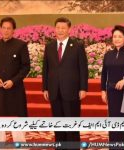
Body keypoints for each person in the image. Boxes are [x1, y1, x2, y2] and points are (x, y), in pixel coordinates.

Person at [42, 17, 88, 150]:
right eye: (58, 28)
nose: (60, 30)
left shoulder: (77, 46)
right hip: (54, 91)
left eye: (63, 28)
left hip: (72, 91)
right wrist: (45, 88)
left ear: (69, 29)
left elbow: (83, 68)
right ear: (54, 29)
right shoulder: (49, 46)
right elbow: (46, 68)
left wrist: (83, 88)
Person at [0, 17, 30, 149]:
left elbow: (26, 67)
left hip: (15, 89)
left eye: (9, 28)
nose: (6, 31)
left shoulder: (21, 45)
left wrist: (13, 81)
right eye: (3, 28)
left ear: (13, 30)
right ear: (0, 29)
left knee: (16, 118)